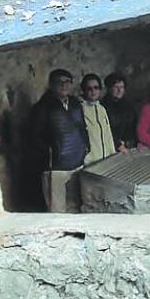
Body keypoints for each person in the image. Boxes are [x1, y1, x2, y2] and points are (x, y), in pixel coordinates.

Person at [29, 68, 88, 211]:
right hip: (55, 167)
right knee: (57, 209)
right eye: (59, 82)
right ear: (51, 85)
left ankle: (74, 234)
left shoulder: (75, 103)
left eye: (67, 82)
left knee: (75, 205)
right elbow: (35, 137)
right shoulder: (42, 108)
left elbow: (82, 127)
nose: (64, 85)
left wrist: (85, 147)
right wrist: (50, 155)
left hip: (76, 163)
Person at [79, 73, 116, 164]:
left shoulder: (102, 109)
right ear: (84, 90)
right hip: (89, 162)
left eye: (96, 88)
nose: (93, 91)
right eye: (89, 88)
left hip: (106, 160)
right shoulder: (80, 109)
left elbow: (108, 134)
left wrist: (112, 154)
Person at [101, 72, 137, 151]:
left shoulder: (129, 106)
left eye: (122, 87)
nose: (119, 90)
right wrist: (118, 144)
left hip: (130, 146)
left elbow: (135, 125)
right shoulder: (103, 107)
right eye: (116, 87)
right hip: (112, 147)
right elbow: (105, 131)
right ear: (109, 88)